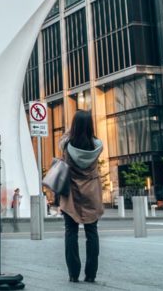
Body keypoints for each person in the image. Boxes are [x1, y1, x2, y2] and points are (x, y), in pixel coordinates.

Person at [58, 109, 104, 284]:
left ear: (74, 126)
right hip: (92, 192)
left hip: (71, 193)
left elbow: (61, 140)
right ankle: (91, 274)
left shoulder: (66, 145)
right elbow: (96, 140)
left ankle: (73, 274)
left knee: (71, 232)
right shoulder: (98, 145)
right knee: (92, 233)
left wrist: (71, 131)